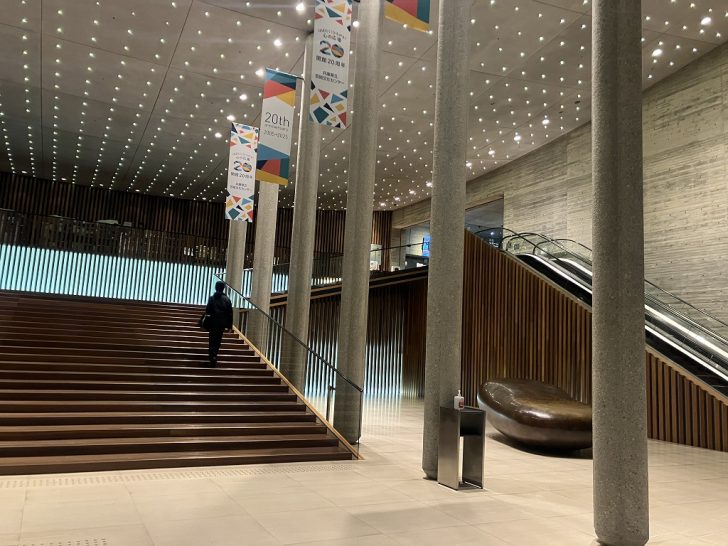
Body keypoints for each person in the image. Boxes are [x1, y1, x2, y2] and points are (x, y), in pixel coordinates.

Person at [205, 281, 233, 366]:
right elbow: (230, 313)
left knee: (212, 340)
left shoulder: (212, 298)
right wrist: (229, 326)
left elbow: (208, 310)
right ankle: (214, 355)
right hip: (221, 324)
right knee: (218, 340)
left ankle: (212, 356)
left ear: (215, 287)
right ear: (223, 288)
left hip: (213, 322)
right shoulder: (227, 299)